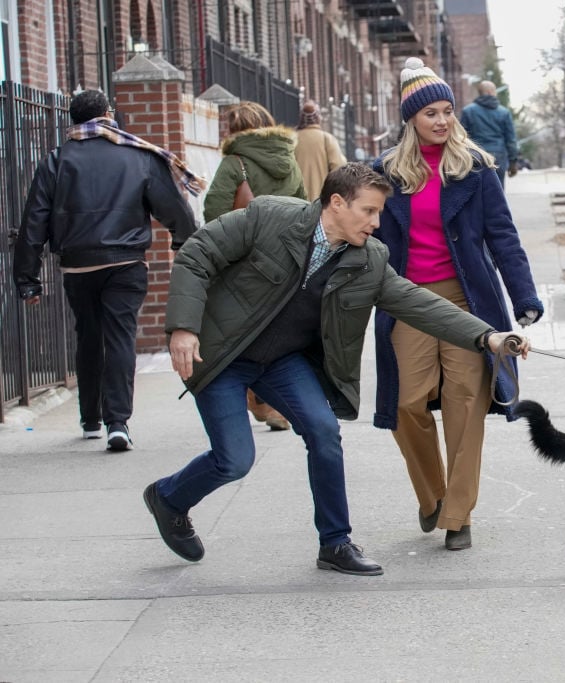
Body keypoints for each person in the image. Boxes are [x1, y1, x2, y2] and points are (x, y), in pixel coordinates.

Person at [144, 163, 530, 575]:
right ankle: (168, 499)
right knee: (234, 459)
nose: (376, 223)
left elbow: (420, 304)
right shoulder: (270, 217)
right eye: (368, 211)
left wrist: (487, 337)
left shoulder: (369, 261)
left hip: (282, 362)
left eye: (379, 212)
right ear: (336, 203)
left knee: (324, 431)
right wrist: (183, 328)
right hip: (224, 355)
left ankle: (335, 543)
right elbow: (198, 253)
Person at [372, 58, 543, 551]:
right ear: (411, 120)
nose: (443, 121)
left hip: (467, 301)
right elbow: (366, 240)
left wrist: (524, 297)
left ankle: (458, 514)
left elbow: (503, 238)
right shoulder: (385, 173)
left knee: (465, 403)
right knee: (406, 403)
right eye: (432, 114)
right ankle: (433, 496)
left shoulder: (476, 168)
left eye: (448, 111)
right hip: (407, 302)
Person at [13, 89, 201, 451]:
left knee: (88, 336)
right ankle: (118, 422)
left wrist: (28, 281)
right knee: (119, 337)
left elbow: (33, 222)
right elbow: (174, 207)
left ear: (74, 120)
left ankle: (90, 419)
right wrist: (184, 242)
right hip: (126, 263)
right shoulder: (137, 155)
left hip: (77, 266)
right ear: (108, 114)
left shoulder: (56, 160)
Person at [204, 100, 306, 431]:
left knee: (240, 333)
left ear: (235, 131)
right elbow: (304, 206)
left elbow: (214, 210)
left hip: (243, 262)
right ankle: (273, 403)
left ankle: (255, 400)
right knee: (274, 331)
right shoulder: (289, 160)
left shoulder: (235, 163)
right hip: (284, 260)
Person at [459, 79, 520, 187]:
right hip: (498, 156)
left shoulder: (468, 111)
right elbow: (510, 139)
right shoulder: (504, 113)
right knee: (498, 190)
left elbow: (462, 137)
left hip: (476, 155)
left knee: (478, 191)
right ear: (492, 92)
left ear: (480, 93)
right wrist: (513, 162)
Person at [294, 99, 346, 199]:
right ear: (318, 118)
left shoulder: (292, 139)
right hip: (321, 199)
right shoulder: (326, 139)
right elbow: (339, 167)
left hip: (296, 201)